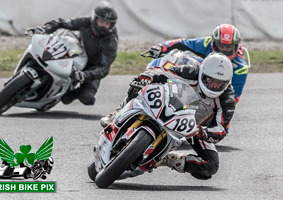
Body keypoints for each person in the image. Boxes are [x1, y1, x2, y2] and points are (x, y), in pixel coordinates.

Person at [101, 52, 235, 180]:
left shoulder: (227, 99)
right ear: (203, 73)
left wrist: (202, 132)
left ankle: (168, 159)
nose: (214, 85)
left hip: (193, 127)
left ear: (227, 82)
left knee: (211, 166)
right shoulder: (191, 72)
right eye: (210, 80)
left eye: (220, 83)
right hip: (169, 104)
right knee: (139, 87)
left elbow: (221, 129)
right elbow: (163, 71)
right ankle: (117, 113)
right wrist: (147, 77)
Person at [148, 24, 249, 104]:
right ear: (214, 43)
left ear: (236, 46)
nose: (224, 50)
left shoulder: (240, 68)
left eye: (228, 47)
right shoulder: (207, 43)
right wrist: (161, 47)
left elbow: (234, 97)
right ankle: (153, 79)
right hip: (203, 77)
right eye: (221, 46)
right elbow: (183, 43)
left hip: (214, 98)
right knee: (179, 56)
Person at [42, 1, 118, 105]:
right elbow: (64, 23)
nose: (103, 26)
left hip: (92, 67)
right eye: (101, 21)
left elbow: (104, 68)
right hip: (77, 54)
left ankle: (74, 93)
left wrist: (85, 74)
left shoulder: (111, 42)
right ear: (95, 19)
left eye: (106, 24)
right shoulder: (85, 22)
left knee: (85, 98)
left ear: (111, 25)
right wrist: (48, 28)